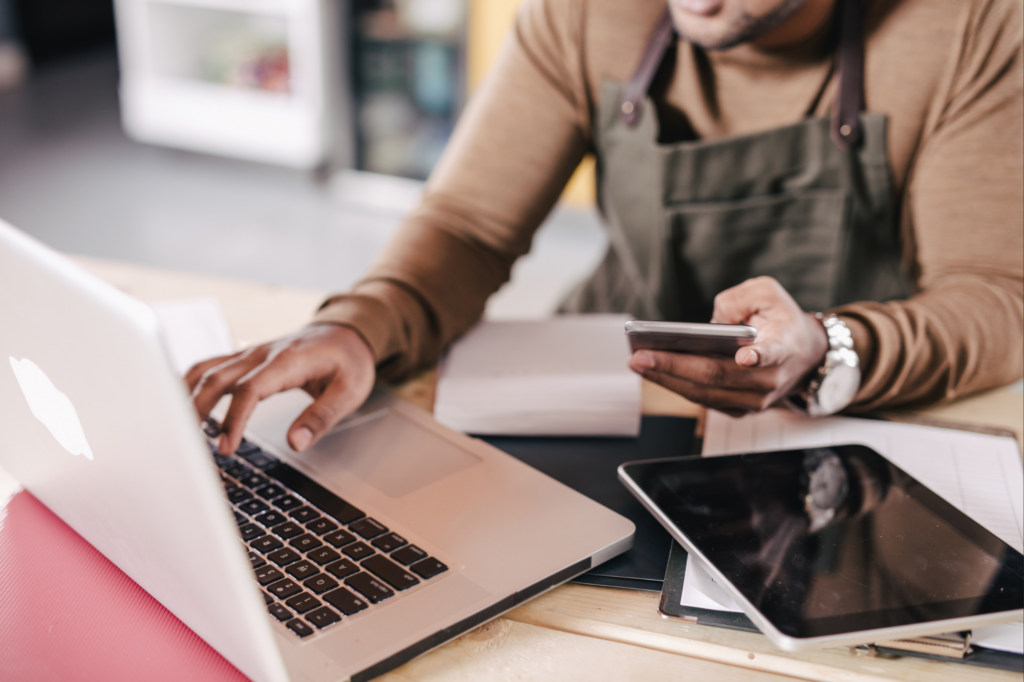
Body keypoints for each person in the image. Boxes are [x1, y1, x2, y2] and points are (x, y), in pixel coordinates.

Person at [188, 0, 1023, 456]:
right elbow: (470, 224)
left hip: (843, 427)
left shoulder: (974, 25)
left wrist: (829, 352)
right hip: (603, 399)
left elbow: (995, 297)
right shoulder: (587, 9)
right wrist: (361, 324)